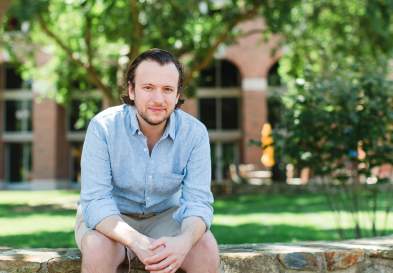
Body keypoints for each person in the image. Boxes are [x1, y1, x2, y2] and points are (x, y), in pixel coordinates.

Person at [74, 48, 220, 273]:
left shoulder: (195, 133)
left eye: (167, 89)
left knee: (206, 247)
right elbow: (95, 201)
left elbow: (198, 203)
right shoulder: (103, 127)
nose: (158, 99)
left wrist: (183, 242)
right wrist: (136, 241)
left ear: (177, 94)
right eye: (148, 88)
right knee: (96, 247)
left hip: (165, 217)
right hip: (111, 218)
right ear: (131, 90)